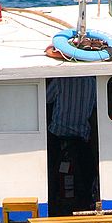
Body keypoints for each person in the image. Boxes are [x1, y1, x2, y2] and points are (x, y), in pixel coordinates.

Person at [46, 76, 97, 214]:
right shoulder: (91, 82)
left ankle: (51, 202)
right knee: (88, 173)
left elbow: (46, 99)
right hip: (81, 137)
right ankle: (86, 203)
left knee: (50, 171)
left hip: (58, 134)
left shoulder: (59, 81)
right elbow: (95, 105)